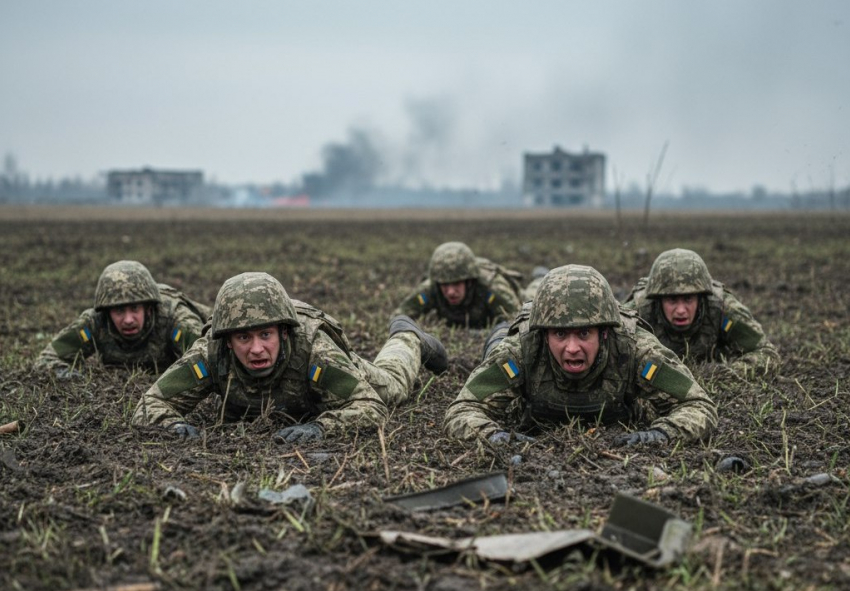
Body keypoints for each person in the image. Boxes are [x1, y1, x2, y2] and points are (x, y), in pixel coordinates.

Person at [131, 272, 448, 442]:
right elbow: (151, 404)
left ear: (283, 332)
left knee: (392, 386)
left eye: (265, 335)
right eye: (244, 337)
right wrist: (170, 425)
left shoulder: (315, 351)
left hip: (331, 380)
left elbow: (369, 408)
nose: (256, 348)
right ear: (227, 341)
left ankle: (408, 338)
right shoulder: (209, 353)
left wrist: (321, 428)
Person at [444, 265, 717, 447]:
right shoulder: (523, 349)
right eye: (560, 335)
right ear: (544, 334)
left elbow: (698, 406)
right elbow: (462, 410)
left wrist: (659, 434)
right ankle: (498, 336)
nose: (572, 348)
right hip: (526, 396)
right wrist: (498, 438)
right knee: (497, 349)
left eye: (584, 334)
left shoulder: (635, 349)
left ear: (605, 333)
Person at [35, 260, 210, 377]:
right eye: (119, 311)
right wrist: (67, 375)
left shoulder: (176, 319)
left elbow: (208, 361)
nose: (128, 319)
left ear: (148, 308)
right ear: (107, 312)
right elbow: (47, 359)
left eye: (135, 309)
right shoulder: (96, 321)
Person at [622, 248, 778, 376]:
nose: (681, 310)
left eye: (688, 299)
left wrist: (729, 372)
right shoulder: (638, 312)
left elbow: (766, 353)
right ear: (658, 299)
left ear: (701, 297)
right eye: (672, 300)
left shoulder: (722, 308)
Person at [394, 242, 527, 329]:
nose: (451, 292)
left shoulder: (492, 287)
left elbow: (518, 322)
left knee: (533, 293)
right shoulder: (431, 288)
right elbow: (400, 315)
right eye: (445, 285)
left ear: (469, 281)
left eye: (457, 283)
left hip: (522, 297)